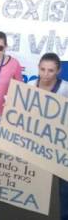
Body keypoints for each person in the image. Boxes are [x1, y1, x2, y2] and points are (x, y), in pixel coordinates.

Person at [28, 52, 68, 220]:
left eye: (50, 70)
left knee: (60, 185)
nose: (45, 74)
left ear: (58, 71)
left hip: (58, 145)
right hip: (33, 142)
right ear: (37, 68)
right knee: (36, 181)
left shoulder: (65, 88)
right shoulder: (29, 84)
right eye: (42, 69)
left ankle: (61, 215)